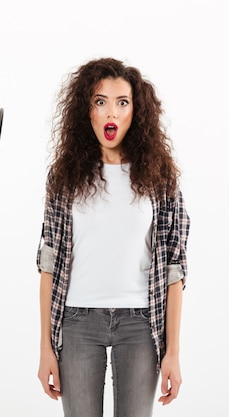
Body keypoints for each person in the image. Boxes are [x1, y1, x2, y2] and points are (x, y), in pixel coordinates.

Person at [36, 58, 190, 417]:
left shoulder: (160, 179)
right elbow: (48, 263)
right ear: (86, 110)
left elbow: (174, 269)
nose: (112, 112)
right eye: (100, 100)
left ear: (136, 111)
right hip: (76, 322)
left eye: (123, 102)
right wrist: (45, 348)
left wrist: (173, 352)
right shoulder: (64, 178)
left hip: (141, 323)